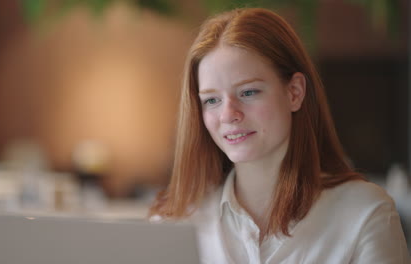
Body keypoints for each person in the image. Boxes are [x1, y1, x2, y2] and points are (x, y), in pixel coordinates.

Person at [149, 7, 409, 264]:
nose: (228, 115)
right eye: (212, 100)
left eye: (248, 92)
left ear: (294, 92)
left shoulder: (365, 213)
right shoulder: (175, 222)